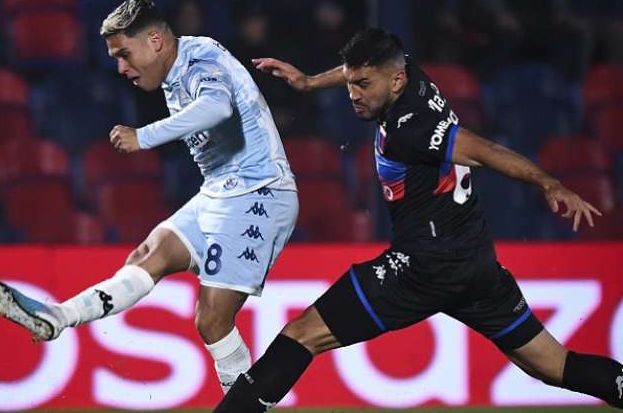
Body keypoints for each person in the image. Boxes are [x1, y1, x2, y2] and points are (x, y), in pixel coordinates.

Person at [215, 28, 622, 412]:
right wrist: (308, 82)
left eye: (363, 86)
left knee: (302, 334)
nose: (353, 94)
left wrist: (548, 182)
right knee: (553, 365)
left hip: (424, 267)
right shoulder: (404, 70)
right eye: (351, 83)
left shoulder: (411, 130)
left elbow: (483, 151)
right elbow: (358, 68)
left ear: (394, 83)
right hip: (476, 264)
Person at [0, 0, 298, 394]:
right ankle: (57, 317)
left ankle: (245, 406)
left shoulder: (200, 57)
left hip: (261, 192)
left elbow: (217, 107)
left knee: (212, 319)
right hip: (221, 191)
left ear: (154, 40)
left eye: (124, 54)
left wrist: (144, 136)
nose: (120, 68)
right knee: (148, 255)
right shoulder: (172, 75)